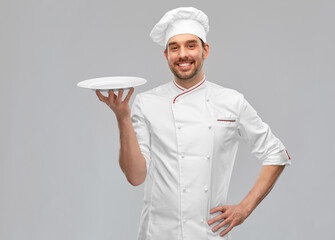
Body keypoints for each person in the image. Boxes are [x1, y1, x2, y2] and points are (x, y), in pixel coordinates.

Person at [96, 6, 291, 240]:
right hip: (157, 233)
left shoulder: (231, 101)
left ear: (205, 50)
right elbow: (136, 177)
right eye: (174, 47)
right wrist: (122, 117)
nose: (182, 54)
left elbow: (276, 153)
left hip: (208, 233)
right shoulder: (146, 102)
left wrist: (244, 208)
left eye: (191, 45)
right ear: (166, 55)